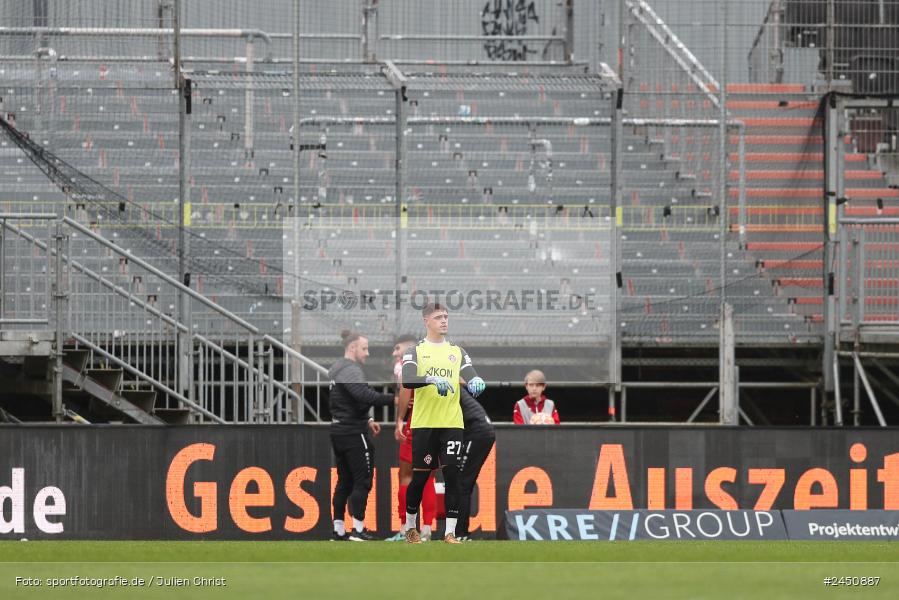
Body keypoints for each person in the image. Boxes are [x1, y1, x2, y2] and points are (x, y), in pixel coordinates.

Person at [401, 302, 486, 544]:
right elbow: (407, 380)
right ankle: (410, 528)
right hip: (425, 423)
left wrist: (476, 381)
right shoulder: (415, 351)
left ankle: (450, 532)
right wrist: (430, 379)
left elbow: (470, 374)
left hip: (451, 422)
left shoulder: (457, 351)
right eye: (438, 317)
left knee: (452, 475)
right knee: (420, 478)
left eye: (446, 317)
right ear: (426, 321)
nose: (444, 321)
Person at [328, 329, 395, 541]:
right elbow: (363, 395)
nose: (367, 353)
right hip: (353, 433)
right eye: (364, 348)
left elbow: (345, 401)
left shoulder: (338, 369)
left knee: (344, 482)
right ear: (352, 348)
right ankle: (358, 529)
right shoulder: (351, 370)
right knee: (362, 481)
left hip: (340, 430)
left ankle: (339, 531)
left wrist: (367, 419)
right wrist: (396, 400)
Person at [385, 334, 438, 542]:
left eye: (398, 349)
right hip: (435, 424)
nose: (395, 353)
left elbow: (405, 389)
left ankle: (406, 528)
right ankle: (426, 528)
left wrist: (400, 419)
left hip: (416, 425)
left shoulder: (407, 364)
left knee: (406, 476)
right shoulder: (436, 364)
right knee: (429, 479)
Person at [456, 388, 495, 541]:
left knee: (462, 483)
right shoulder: (450, 384)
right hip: (481, 431)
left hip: (478, 432)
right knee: (464, 484)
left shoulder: (445, 388)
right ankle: (460, 532)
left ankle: (461, 534)